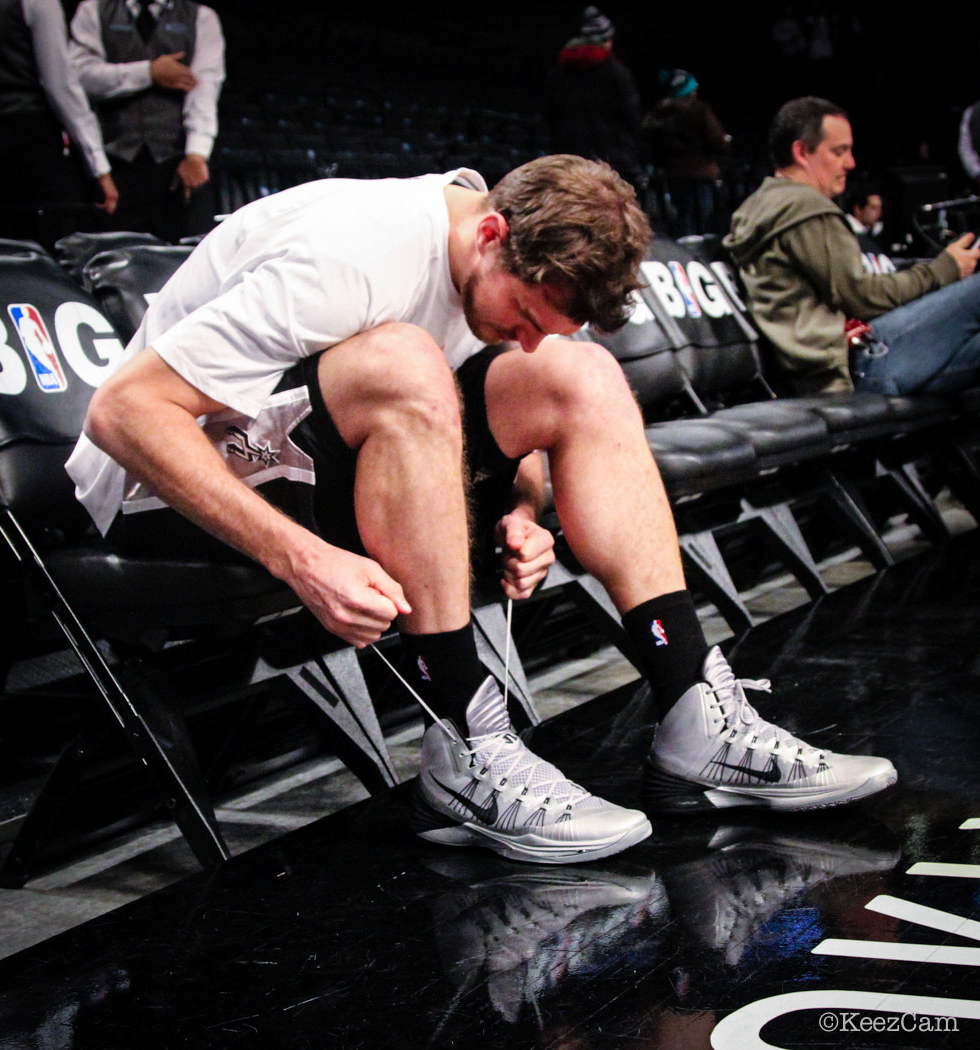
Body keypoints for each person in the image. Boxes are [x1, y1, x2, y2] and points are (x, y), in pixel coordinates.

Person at [66, 156, 897, 866]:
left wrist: (526, 505)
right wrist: (302, 559)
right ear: (493, 234)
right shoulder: (350, 256)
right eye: (527, 317)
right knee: (402, 359)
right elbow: (124, 414)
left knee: (581, 377)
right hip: (162, 489)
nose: (527, 338)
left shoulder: (482, 263)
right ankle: (466, 746)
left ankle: (695, 720)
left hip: (320, 457)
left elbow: (496, 402)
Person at [725, 96, 980, 396]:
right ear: (802, 152)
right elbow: (864, 296)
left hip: (827, 368)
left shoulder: (758, 206)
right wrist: (946, 269)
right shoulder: (806, 208)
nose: (851, 163)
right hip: (860, 365)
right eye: (839, 151)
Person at [0, 0, 118, 242]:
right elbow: (59, 86)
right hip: (34, 145)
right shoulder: (39, 2)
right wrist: (98, 165)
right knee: (46, 255)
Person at [69, 0, 225, 240]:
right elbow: (78, 76)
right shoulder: (94, 10)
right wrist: (149, 73)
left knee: (184, 258)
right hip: (112, 164)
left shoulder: (201, 17)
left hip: (175, 161)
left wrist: (196, 154)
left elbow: (204, 89)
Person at [546, 6, 646, 186]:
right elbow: (632, 117)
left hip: (571, 160)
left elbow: (551, 115)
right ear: (605, 40)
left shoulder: (559, 73)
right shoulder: (617, 73)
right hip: (614, 161)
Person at [643, 68, 731, 235]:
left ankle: (685, 255)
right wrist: (726, 142)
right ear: (689, 90)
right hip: (702, 174)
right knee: (705, 220)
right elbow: (717, 142)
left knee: (683, 217)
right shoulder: (700, 111)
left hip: (673, 176)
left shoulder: (658, 115)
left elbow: (651, 147)